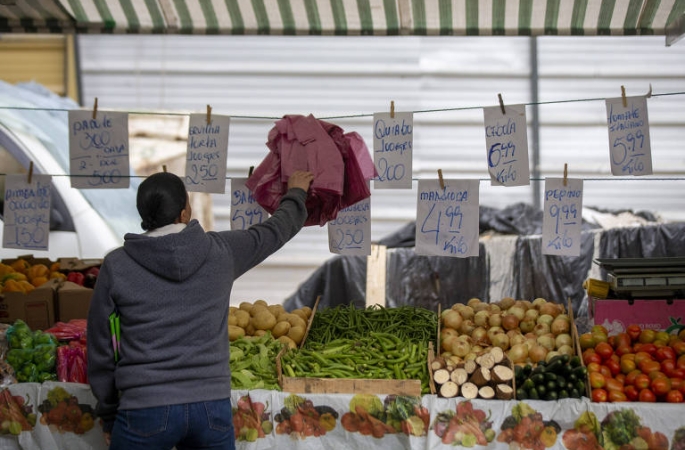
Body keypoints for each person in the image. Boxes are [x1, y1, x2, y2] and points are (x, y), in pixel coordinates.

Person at [87, 170, 314, 450]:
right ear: (184, 213)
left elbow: (102, 344)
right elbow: (275, 230)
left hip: (144, 409)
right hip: (211, 410)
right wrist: (297, 192)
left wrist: (108, 413)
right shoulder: (222, 251)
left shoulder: (117, 265)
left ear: (143, 214)